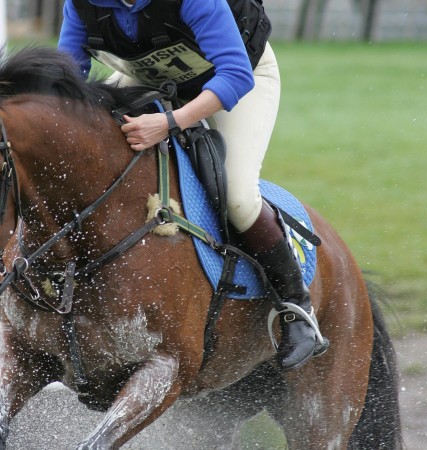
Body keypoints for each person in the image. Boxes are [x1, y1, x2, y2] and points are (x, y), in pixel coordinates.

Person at [58, 0, 326, 371]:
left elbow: (235, 74)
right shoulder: (82, 3)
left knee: (238, 197)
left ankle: (297, 311)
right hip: (148, 79)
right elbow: (65, 82)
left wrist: (169, 122)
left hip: (235, 80)